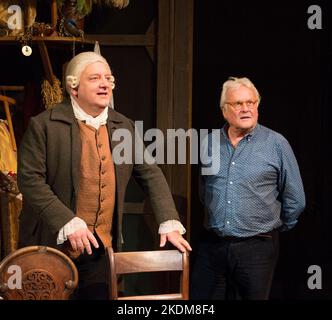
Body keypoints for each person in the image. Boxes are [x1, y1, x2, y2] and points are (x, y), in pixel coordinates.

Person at [17, 51, 192, 299]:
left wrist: (168, 221)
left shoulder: (124, 126)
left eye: (108, 79)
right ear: (74, 88)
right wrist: (67, 220)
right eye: (95, 78)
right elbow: (30, 181)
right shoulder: (45, 125)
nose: (105, 84)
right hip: (51, 247)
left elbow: (150, 174)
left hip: (100, 249)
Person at [190, 76, 305, 300]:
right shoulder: (209, 143)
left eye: (251, 103)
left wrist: (272, 228)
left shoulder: (276, 143)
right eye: (238, 104)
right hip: (213, 246)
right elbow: (205, 190)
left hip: (257, 248)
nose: (246, 109)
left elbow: (296, 198)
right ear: (224, 110)